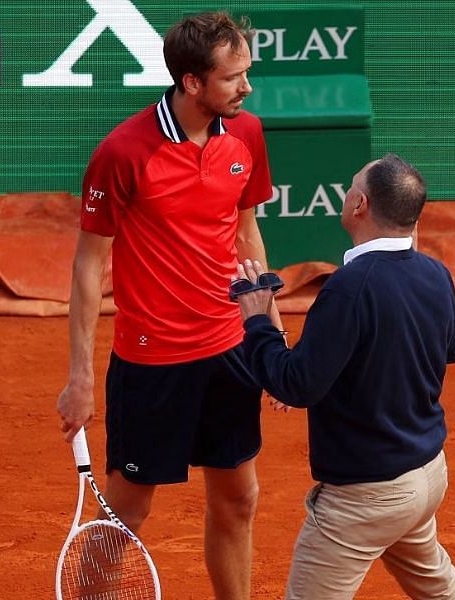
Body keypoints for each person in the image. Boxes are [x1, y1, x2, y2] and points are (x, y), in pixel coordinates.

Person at [55, 12, 282, 599]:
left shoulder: (247, 135)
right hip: (152, 362)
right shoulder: (124, 152)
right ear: (191, 82)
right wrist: (80, 377)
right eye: (233, 78)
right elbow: (88, 265)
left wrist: (270, 332)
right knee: (125, 514)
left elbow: (247, 233)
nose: (246, 87)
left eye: (246, 73)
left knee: (239, 498)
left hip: (229, 347)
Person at [233, 154, 455, 599]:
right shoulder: (433, 273)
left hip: (367, 499)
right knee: (437, 585)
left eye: (350, 187)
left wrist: (257, 322)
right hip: (425, 477)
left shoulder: (350, 286)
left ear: (360, 204)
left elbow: (297, 385)